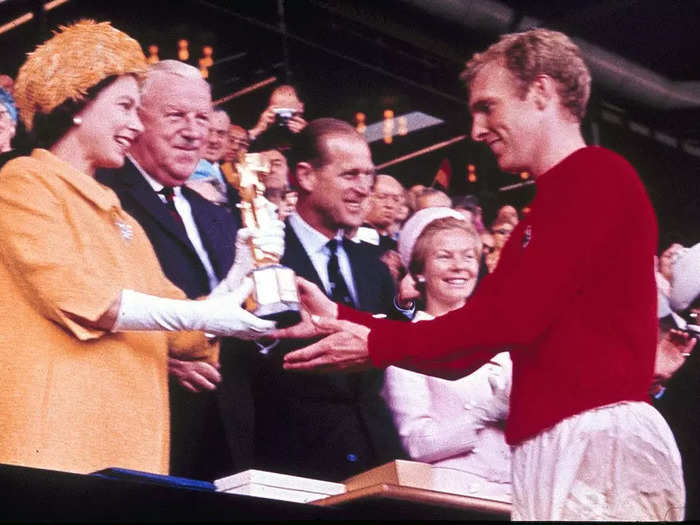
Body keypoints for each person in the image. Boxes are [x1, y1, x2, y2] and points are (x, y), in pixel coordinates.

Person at [277, 28, 684, 521]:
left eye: (487, 107)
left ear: (541, 92)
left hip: (595, 444)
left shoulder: (596, 175)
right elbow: (467, 349)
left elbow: (500, 326)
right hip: (552, 448)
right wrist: (337, 317)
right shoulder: (544, 211)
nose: (476, 129)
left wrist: (373, 343)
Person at [0, 20, 277, 476]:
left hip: (132, 456)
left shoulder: (119, 217)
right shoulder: (23, 184)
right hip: (54, 449)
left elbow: (182, 333)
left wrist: (241, 271)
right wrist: (206, 315)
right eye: (125, 107)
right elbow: (82, 297)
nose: (134, 124)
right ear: (76, 102)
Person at [97, 60, 281, 480]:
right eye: (176, 115)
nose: (194, 131)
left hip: (231, 428)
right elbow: (91, 306)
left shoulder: (218, 215)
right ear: (135, 120)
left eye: (202, 117)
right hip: (149, 422)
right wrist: (162, 359)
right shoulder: (104, 198)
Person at [250, 118, 407, 481]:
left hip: (377, 460)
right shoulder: (261, 253)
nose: (364, 189)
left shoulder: (376, 269)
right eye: (350, 175)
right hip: (290, 465)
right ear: (305, 176)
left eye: (369, 176)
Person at [382, 207, 512, 503]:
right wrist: (486, 412)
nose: (459, 267)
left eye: (468, 256)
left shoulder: (500, 337)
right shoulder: (407, 346)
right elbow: (418, 444)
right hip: (456, 497)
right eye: (444, 256)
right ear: (419, 272)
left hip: (519, 490)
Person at [186, 107, 231, 205]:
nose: (213, 140)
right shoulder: (187, 170)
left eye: (221, 133)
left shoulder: (222, 171)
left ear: (228, 139)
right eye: (207, 131)